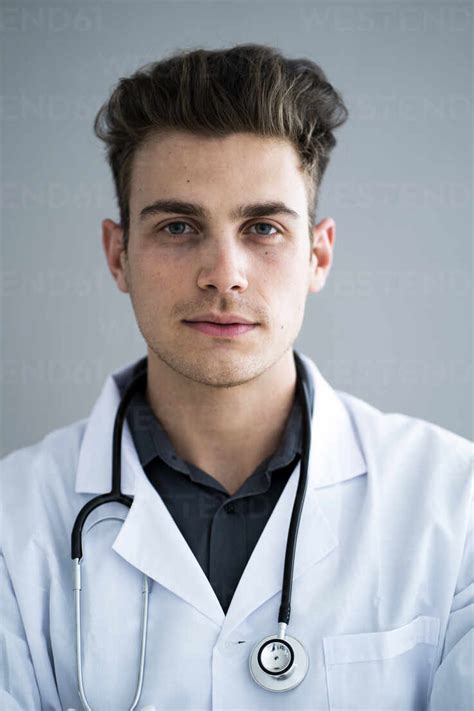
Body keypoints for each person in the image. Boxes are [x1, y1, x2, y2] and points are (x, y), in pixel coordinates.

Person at [1, 43, 472, 711]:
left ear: (318, 254)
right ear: (118, 255)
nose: (224, 273)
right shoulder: (12, 518)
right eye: (177, 225)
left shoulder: (456, 506)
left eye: (262, 227)